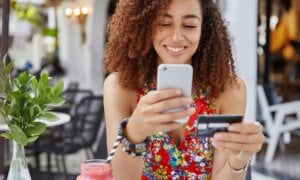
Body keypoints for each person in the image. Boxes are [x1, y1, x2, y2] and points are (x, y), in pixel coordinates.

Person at [104, 0, 265, 179]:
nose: (176, 37)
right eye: (164, 24)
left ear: (203, 28)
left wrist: (239, 158)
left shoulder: (229, 90)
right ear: (145, 25)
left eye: (189, 25)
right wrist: (134, 133)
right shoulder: (121, 87)